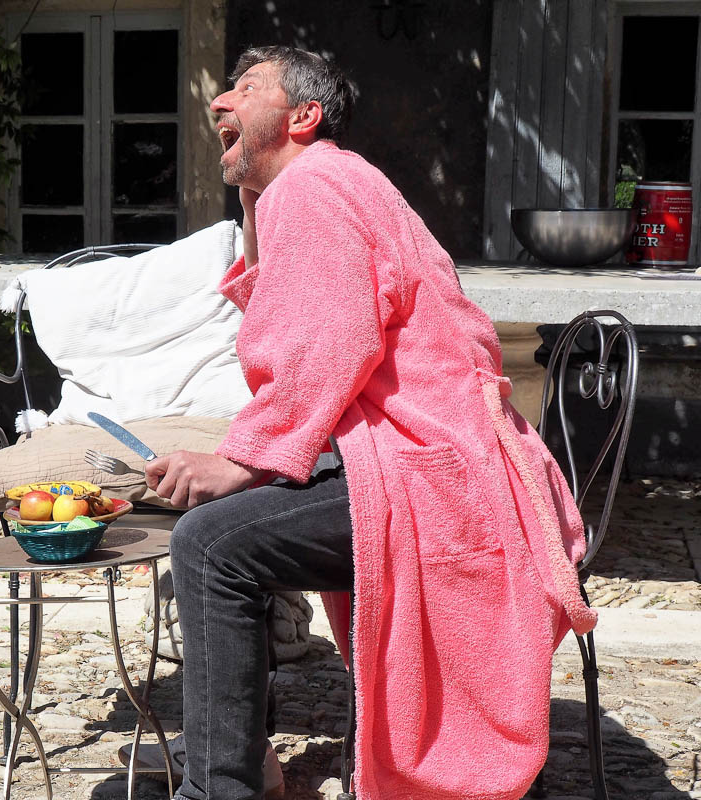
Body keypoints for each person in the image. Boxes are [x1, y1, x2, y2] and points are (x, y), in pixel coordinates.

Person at [141, 46, 596, 800]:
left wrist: (243, 462)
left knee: (210, 544)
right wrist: (253, 208)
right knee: (232, 526)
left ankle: (221, 785)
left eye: (246, 89)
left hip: (436, 475)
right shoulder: (327, 184)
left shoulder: (314, 185)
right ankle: (241, 756)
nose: (220, 101)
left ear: (303, 116)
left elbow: (329, 340)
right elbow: (303, 317)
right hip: (448, 463)